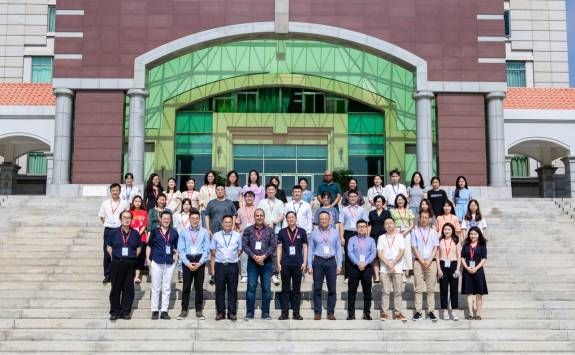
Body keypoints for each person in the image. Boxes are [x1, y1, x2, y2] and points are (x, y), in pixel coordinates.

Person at [308, 211, 343, 320]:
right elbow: (310, 250)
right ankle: (317, 312)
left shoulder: (334, 232)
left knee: (332, 289)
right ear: (318, 220)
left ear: (329, 220)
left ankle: (330, 312)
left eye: (325, 218)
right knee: (317, 288)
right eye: (321, 218)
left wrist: (340, 264)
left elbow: (338, 249)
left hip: (331, 262)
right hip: (318, 261)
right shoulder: (314, 233)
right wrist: (309, 265)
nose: (323, 220)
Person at [106, 210, 141, 320]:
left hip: (130, 263)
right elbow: (109, 246)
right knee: (115, 288)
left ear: (131, 219)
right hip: (116, 262)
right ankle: (114, 312)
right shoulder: (114, 232)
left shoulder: (135, 233)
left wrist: (133, 256)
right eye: (124, 217)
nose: (126, 219)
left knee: (128, 289)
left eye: (128, 217)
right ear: (120, 219)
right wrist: (113, 256)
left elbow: (139, 247)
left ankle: (126, 311)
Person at [242, 208, 277, 320]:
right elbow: (245, 245)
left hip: (266, 262)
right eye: (257, 215)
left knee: (266, 288)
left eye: (261, 215)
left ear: (264, 217)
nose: (259, 217)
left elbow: (273, 245)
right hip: (252, 262)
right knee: (251, 287)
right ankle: (250, 313)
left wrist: (263, 256)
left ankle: (265, 313)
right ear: (254, 217)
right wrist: (255, 256)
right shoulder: (248, 230)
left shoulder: (270, 230)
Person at [177, 209, 210, 320]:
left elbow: (207, 249)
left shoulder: (204, 232)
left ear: (199, 220)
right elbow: (180, 250)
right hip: (187, 260)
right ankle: (184, 310)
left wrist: (200, 263)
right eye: (193, 218)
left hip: (200, 259)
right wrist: (187, 264)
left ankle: (199, 310)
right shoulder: (184, 232)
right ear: (189, 219)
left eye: (197, 218)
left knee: (199, 287)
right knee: (186, 286)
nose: (195, 220)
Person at [146, 211, 179, 320]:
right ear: (160, 219)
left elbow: (176, 247)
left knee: (167, 287)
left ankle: (164, 311)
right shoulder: (155, 231)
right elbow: (149, 246)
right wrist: (148, 259)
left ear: (170, 219)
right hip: (156, 261)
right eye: (164, 218)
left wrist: (176, 259)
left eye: (168, 218)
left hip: (169, 263)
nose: (166, 220)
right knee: (155, 287)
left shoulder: (174, 232)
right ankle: (154, 310)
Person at [210, 215, 242, 321]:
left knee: (232, 289)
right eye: (226, 222)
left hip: (233, 265)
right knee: (219, 289)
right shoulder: (216, 235)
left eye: (229, 222)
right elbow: (213, 250)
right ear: (222, 223)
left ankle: (232, 312)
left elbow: (240, 249)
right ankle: (220, 312)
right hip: (220, 265)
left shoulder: (237, 235)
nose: (227, 224)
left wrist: (232, 257)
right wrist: (221, 257)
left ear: (232, 223)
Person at [277, 211, 308, 320]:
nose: (291, 219)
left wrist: (305, 262)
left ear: (296, 219)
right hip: (285, 264)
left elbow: (305, 247)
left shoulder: (302, 232)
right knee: (285, 289)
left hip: (298, 264)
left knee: (296, 290)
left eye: (293, 217)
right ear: (286, 219)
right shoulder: (282, 232)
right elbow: (279, 248)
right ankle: (284, 313)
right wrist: (278, 263)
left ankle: (296, 313)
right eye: (289, 217)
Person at [98, 183, 130, 284]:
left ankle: (119, 274)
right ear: (110, 192)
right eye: (113, 190)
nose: (115, 192)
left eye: (117, 190)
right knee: (107, 253)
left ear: (120, 191)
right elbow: (102, 217)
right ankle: (107, 275)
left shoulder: (125, 203)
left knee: (120, 252)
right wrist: (109, 224)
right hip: (109, 230)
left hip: (120, 229)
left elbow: (127, 216)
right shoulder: (105, 203)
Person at [377, 216, 407, 321]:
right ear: (384, 226)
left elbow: (402, 251)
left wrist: (393, 263)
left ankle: (398, 313)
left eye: (391, 223)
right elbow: (379, 253)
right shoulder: (381, 237)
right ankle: (384, 312)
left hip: (397, 268)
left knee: (398, 291)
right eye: (386, 223)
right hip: (384, 268)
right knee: (385, 291)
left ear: (394, 224)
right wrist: (388, 264)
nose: (389, 225)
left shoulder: (400, 237)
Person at [411, 210, 440, 321]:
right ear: (419, 219)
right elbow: (414, 247)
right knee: (418, 288)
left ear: (429, 219)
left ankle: (430, 312)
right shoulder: (415, 231)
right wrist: (422, 260)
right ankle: (418, 311)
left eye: (426, 217)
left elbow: (435, 247)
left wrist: (429, 260)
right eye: (422, 217)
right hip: (419, 262)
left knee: (430, 289)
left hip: (431, 263)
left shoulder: (433, 232)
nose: (424, 219)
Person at [346, 219, 376, 320]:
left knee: (367, 292)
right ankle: (351, 313)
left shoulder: (371, 240)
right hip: (354, 267)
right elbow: (350, 252)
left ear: (367, 227)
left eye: (364, 226)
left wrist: (365, 263)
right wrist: (358, 263)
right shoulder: (352, 239)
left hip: (367, 268)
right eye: (359, 226)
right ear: (356, 228)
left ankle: (366, 313)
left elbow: (373, 253)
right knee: (352, 292)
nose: (362, 228)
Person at [257, 183, 285, 286]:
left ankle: (274, 274)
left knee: (274, 254)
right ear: (266, 191)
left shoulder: (280, 202)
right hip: (263, 231)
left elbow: (282, 215)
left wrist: (273, 223)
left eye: (272, 190)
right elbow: (259, 214)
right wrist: (266, 223)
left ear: (275, 191)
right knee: (263, 252)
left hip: (276, 231)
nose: (270, 191)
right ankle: (263, 274)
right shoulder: (262, 202)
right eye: (268, 190)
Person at [339, 190, 368, 280]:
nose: (352, 198)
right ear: (348, 198)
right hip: (348, 233)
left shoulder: (362, 209)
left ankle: (359, 274)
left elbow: (366, 223)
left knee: (360, 253)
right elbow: (341, 224)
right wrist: (342, 237)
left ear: (357, 198)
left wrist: (366, 235)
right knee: (348, 254)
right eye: (350, 196)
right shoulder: (344, 210)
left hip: (359, 233)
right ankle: (347, 276)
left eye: (354, 196)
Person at [461, 226, 488, 320]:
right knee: (469, 293)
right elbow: (462, 258)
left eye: (475, 234)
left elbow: (484, 259)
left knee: (479, 293)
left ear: (478, 235)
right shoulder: (466, 245)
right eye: (471, 234)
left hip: (478, 271)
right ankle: (471, 314)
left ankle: (478, 313)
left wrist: (476, 268)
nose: (473, 236)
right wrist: (466, 267)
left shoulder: (482, 245)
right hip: (467, 271)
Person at [436, 222, 461, 321]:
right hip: (442, 265)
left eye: (449, 229)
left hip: (453, 264)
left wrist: (458, 269)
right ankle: (445, 310)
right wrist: (439, 269)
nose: (447, 231)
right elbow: (437, 256)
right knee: (443, 289)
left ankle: (454, 310)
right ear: (443, 230)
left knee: (454, 289)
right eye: (445, 229)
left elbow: (459, 256)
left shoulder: (456, 240)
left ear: (452, 231)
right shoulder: (440, 240)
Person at [391, 194, 415, 279]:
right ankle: (399, 270)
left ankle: (406, 271)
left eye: (402, 199)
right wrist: (395, 232)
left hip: (407, 231)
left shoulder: (409, 211)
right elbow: (391, 223)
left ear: (405, 201)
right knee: (397, 251)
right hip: (396, 231)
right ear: (396, 201)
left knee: (407, 251)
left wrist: (405, 232)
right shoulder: (392, 211)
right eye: (398, 200)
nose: (400, 201)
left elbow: (412, 225)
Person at [368, 195, 391, 283]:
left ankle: (384, 276)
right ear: (374, 203)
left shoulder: (387, 213)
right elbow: (369, 226)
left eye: (380, 201)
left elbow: (389, 224)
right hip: (374, 236)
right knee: (375, 257)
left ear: (383, 203)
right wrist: (368, 237)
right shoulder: (371, 213)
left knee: (384, 256)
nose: (378, 203)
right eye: (376, 201)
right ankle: (377, 277)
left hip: (384, 237)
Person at [236, 190, 256, 283]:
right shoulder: (240, 210)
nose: (249, 198)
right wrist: (241, 228)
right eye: (247, 196)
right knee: (244, 256)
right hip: (243, 235)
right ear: (244, 198)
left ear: (254, 198)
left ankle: (255, 274)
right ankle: (244, 274)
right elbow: (237, 222)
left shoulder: (257, 209)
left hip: (255, 235)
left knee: (255, 254)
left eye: (251, 197)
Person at [129, 195, 148, 284]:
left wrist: (139, 233)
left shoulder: (144, 212)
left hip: (141, 237)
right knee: (131, 257)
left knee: (140, 257)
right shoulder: (130, 212)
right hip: (131, 238)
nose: (137, 203)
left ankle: (137, 277)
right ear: (133, 202)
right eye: (136, 201)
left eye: (139, 201)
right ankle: (130, 275)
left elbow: (145, 224)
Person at [173, 198, 193, 282]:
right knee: (181, 256)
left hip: (190, 238)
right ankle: (181, 273)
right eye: (185, 204)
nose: (186, 206)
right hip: (180, 238)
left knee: (188, 256)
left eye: (188, 204)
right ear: (182, 206)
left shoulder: (192, 215)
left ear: (191, 205)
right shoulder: (178, 215)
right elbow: (175, 227)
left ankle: (187, 273)